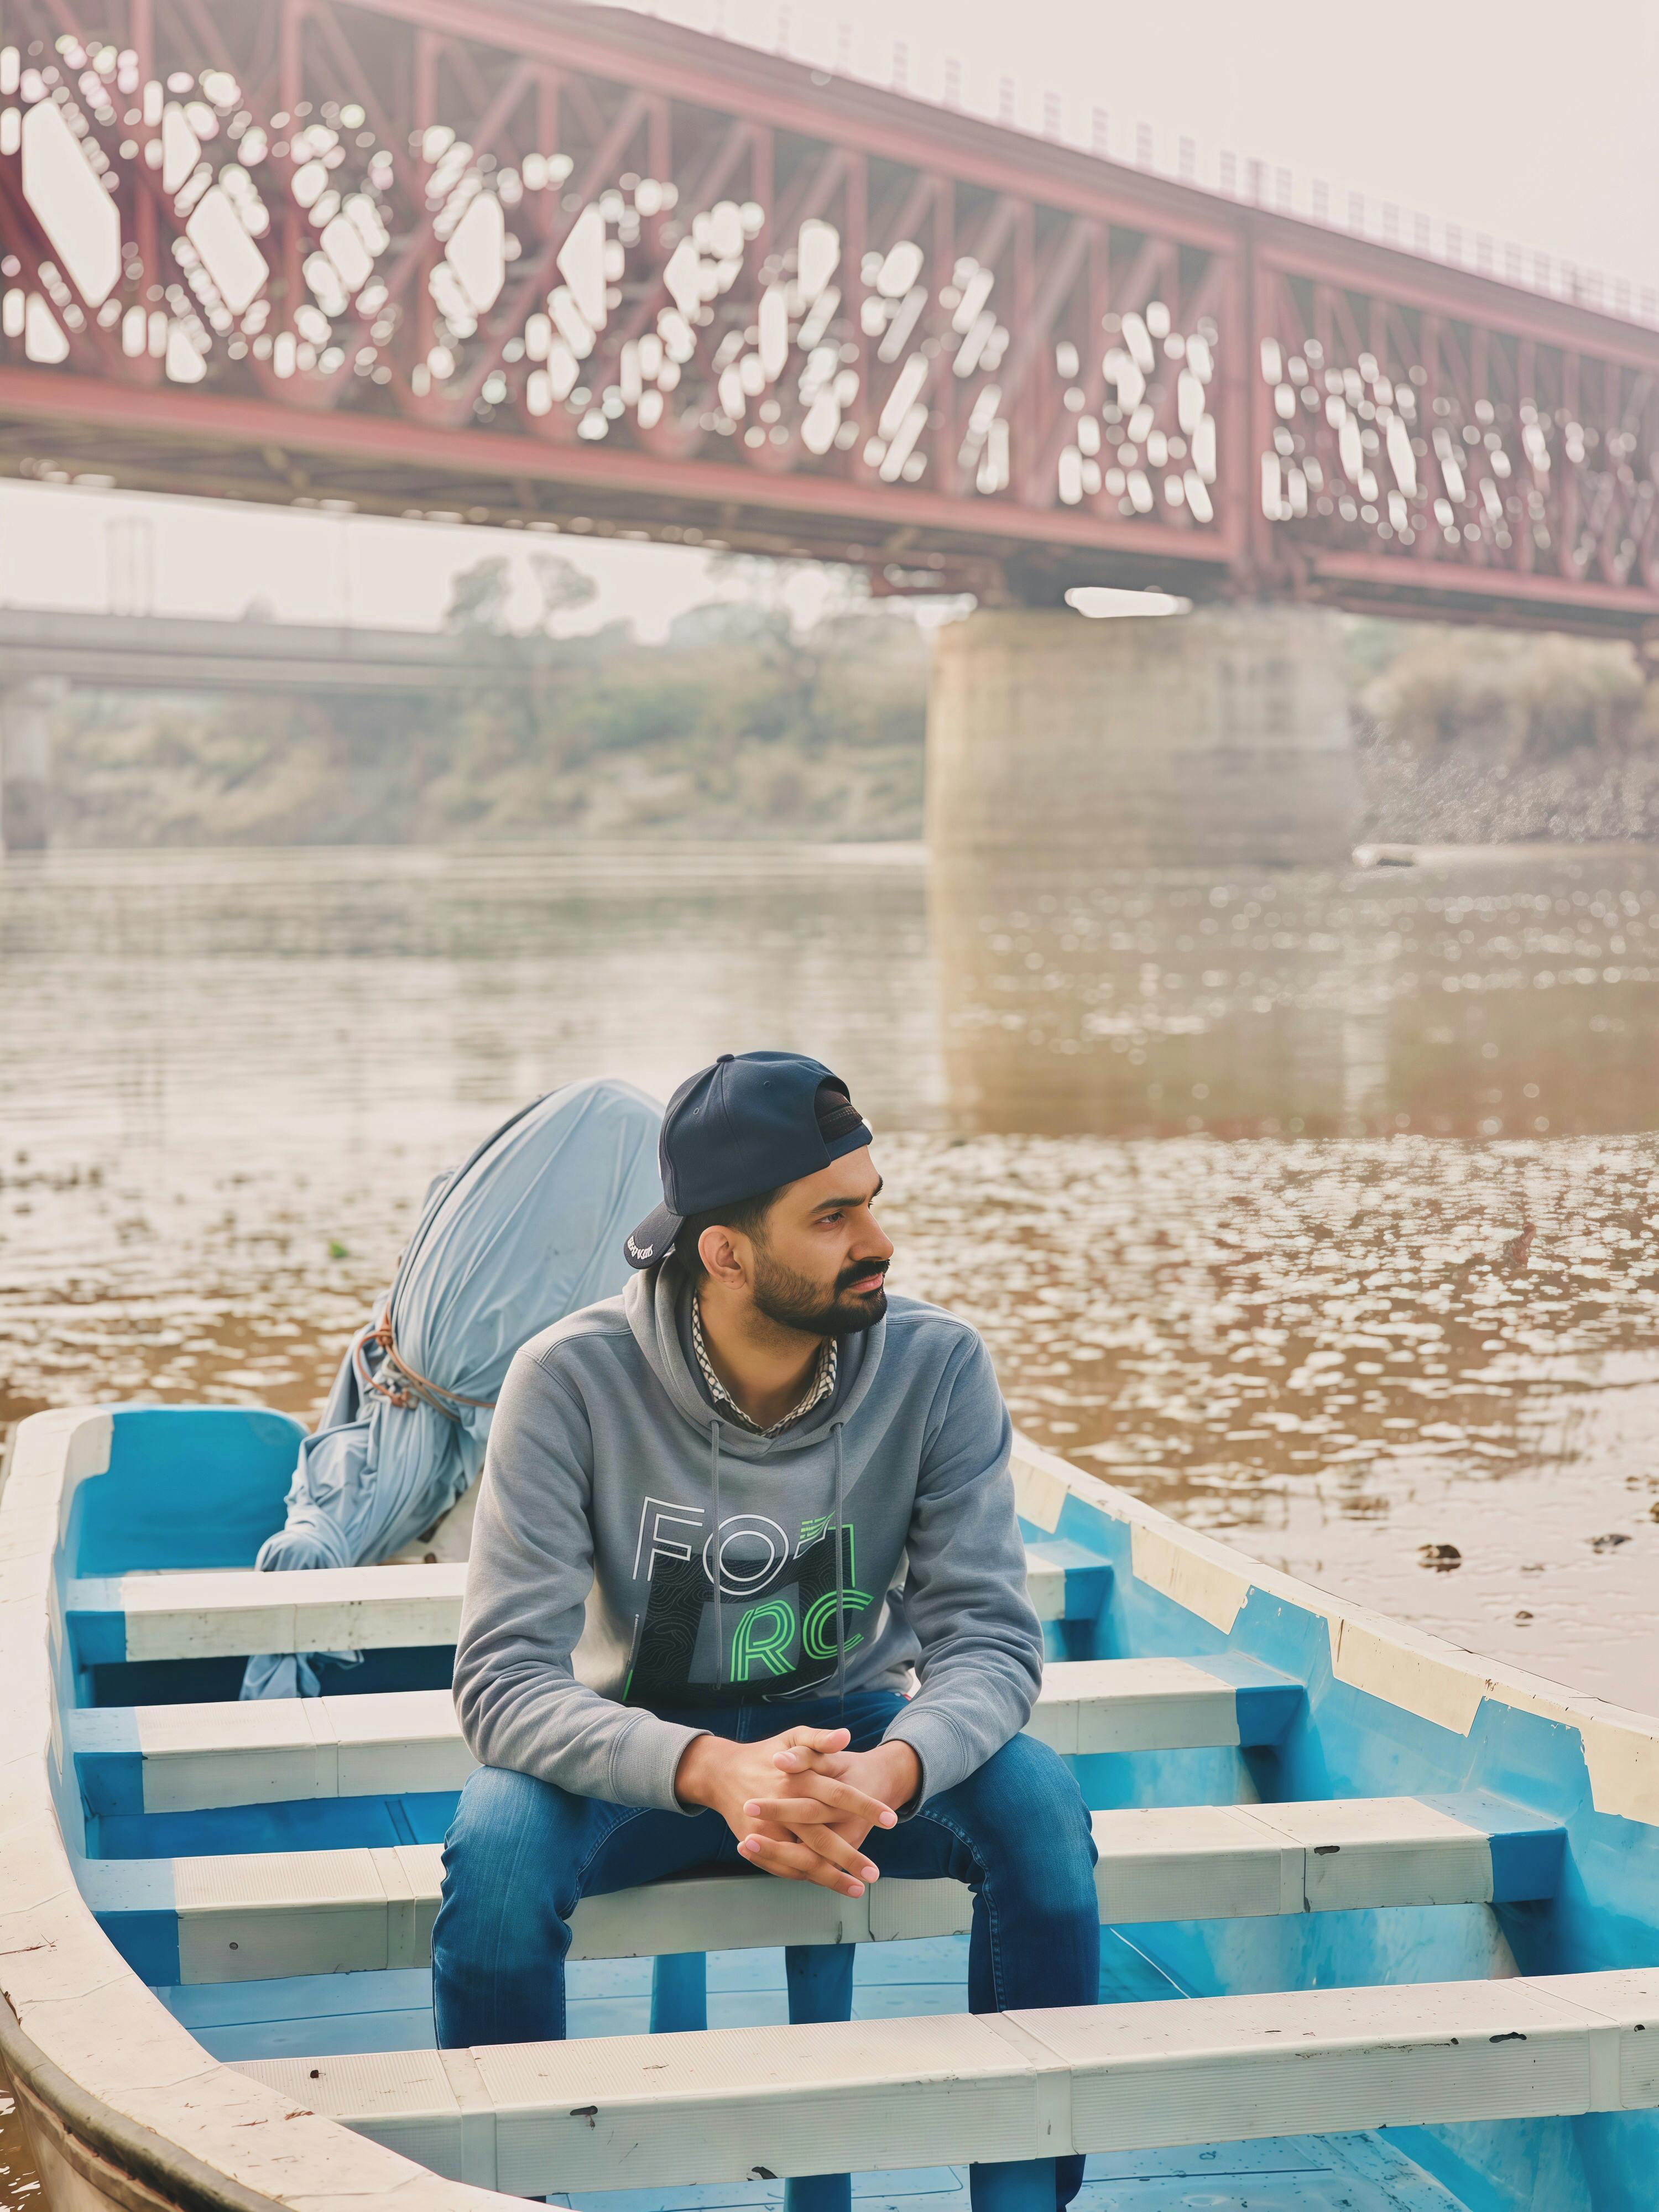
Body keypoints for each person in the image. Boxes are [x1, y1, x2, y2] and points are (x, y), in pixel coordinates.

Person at [432, 1050, 1100, 2210]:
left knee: (1040, 1809)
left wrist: (892, 1766)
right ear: (725, 1250)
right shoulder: (570, 1379)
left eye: (872, 1201)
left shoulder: (937, 1367)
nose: (876, 1239)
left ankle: (1026, 2195)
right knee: (495, 1857)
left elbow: (989, 1641)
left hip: (851, 1746)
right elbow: (501, 1681)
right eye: (833, 1216)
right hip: (634, 1755)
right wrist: (712, 1767)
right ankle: (507, 2194)